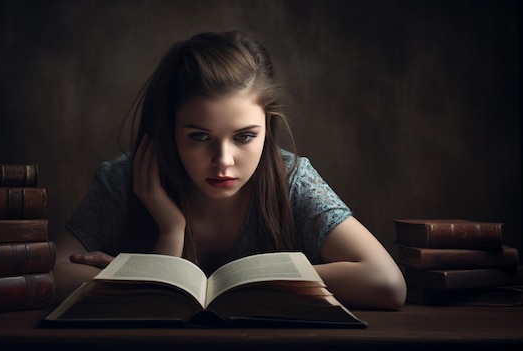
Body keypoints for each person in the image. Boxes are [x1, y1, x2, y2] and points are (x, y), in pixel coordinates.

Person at [53, 30, 407, 310]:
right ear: (169, 129)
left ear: (268, 128)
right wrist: (167, 238)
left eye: (244, 136)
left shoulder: (290, 180)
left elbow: (387, 282)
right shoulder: (125, 180)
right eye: (199, 136)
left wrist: (255, 281)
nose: (223, 160)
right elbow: (51, 276)